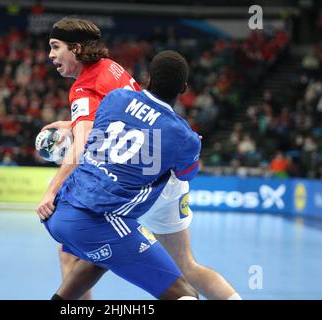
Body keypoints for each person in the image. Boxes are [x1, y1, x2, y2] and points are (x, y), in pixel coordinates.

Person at [37, 17, 241, 300]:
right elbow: (122, 122)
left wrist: (53, 189)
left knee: (78, 244)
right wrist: (72, 123)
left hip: (137, 181)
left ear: (76, 48)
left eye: (55, 46)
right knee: (187, 266)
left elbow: (85, 141)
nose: (50, 55)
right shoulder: (112, 68)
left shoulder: (83, 88)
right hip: (163, 169)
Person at [44, 50, 201, 299]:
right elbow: (185, 175)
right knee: (185, 294)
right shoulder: (184, 137)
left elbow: (91, 129)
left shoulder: (116, 98)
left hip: (59, 211)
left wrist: (69, 125)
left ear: (148, 79)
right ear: (183, 88)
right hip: (98, 221)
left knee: (100, 260)